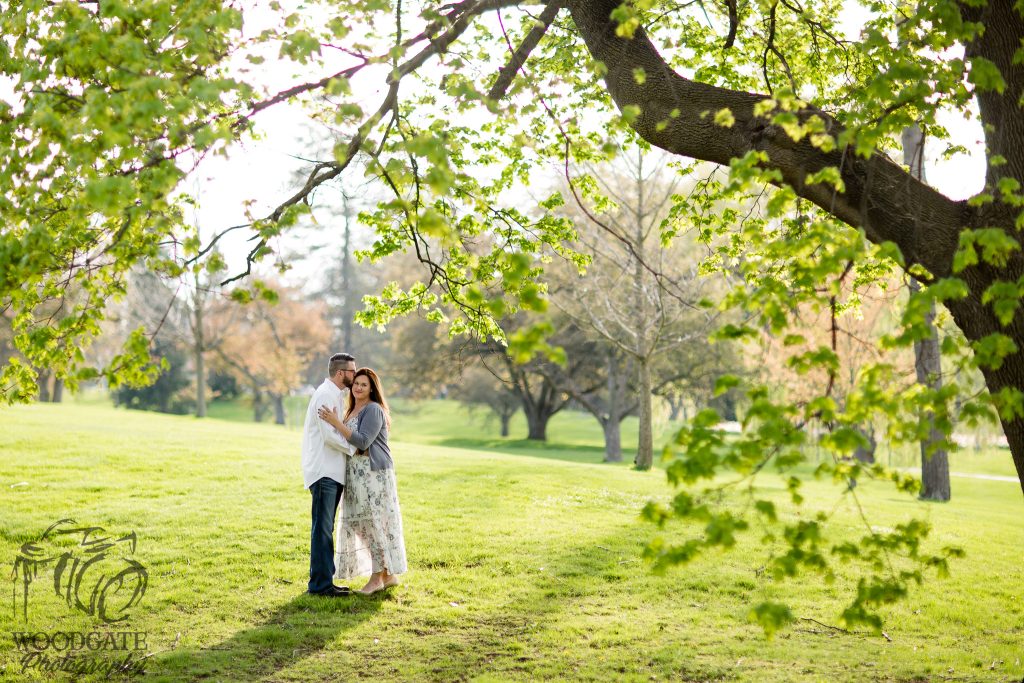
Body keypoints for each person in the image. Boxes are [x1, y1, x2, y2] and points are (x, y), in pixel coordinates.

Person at [318, 367, 407, 595]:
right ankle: (387, 574)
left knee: (373, 523)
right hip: (355, 473)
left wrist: (336, 422)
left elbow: (363, 441)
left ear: (371, 389)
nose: (358, 387)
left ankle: (377, 578)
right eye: (356, 383)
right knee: (359, 524)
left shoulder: (373, 409)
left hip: (372, 473)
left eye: (364, 385)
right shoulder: (351, 410)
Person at [301, 352, 357, 597]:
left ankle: (324, 581)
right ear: (340, 373)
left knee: (325, 529)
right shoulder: (325, 395)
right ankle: (320, 585)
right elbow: (329, 437)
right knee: (322, 530)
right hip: (324, 472)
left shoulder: (334, 395)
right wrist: (355, 448)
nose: (355, 375)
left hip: (332, 471)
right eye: (352, 371)